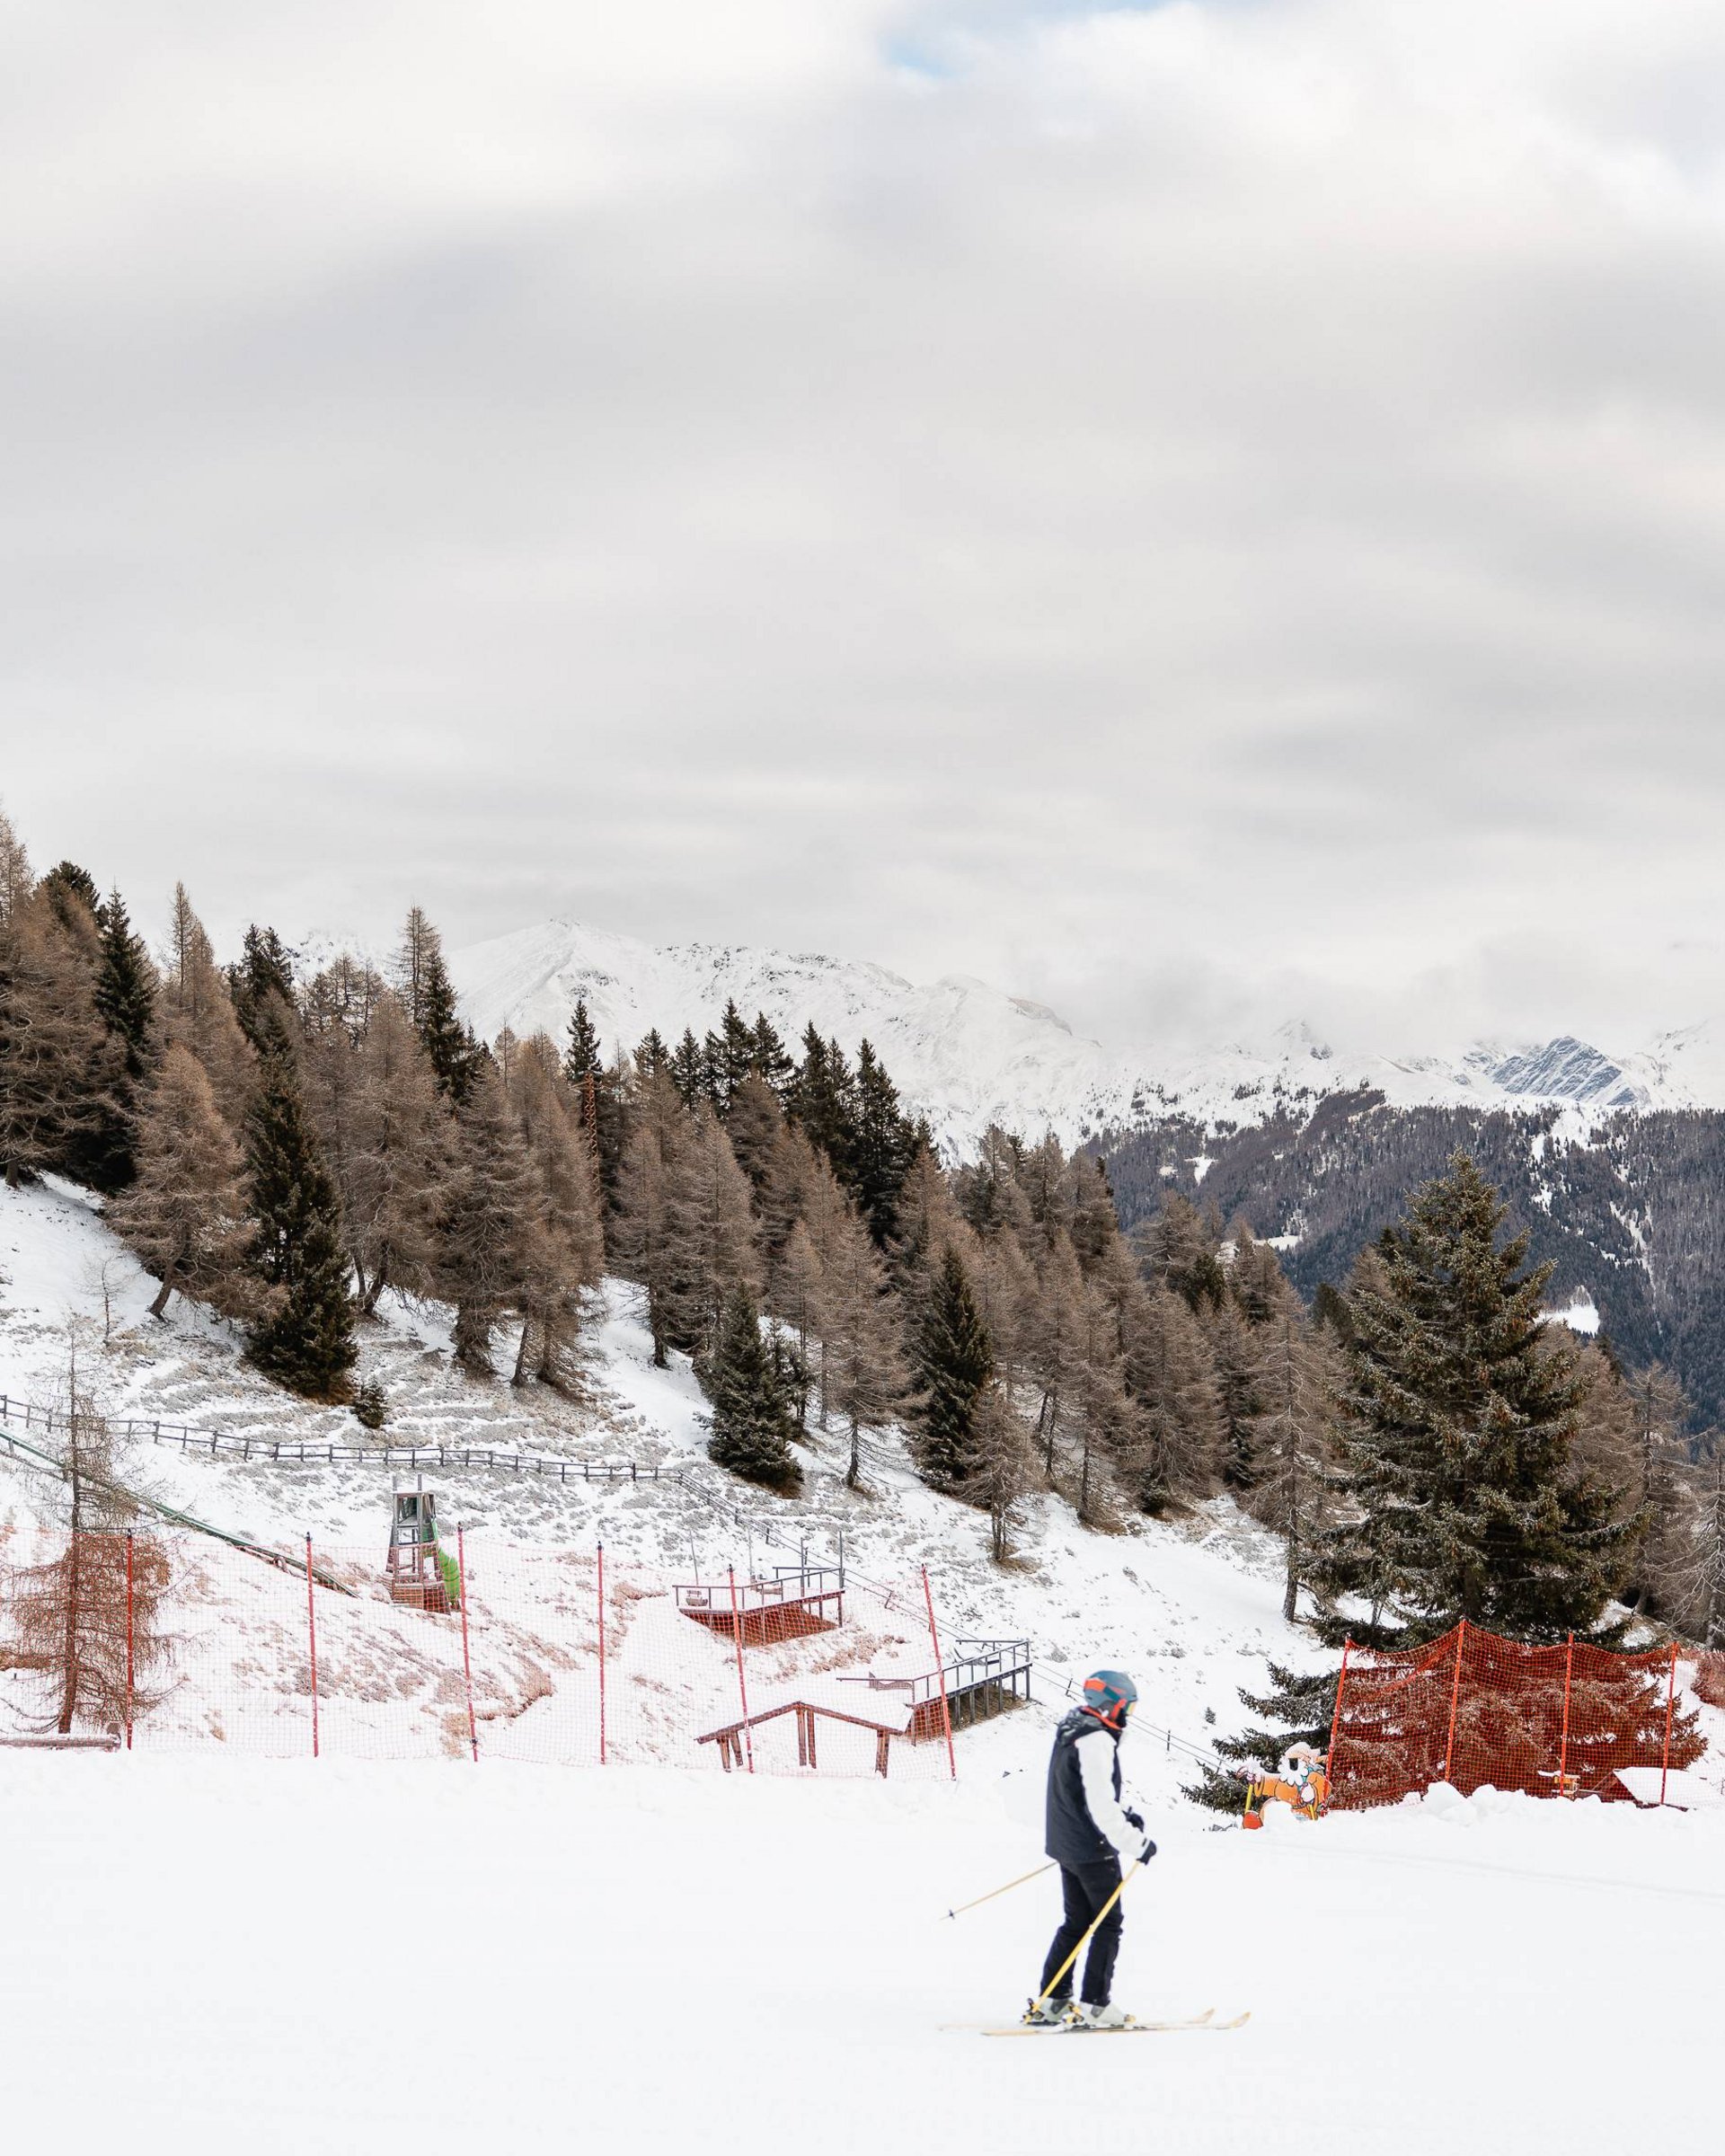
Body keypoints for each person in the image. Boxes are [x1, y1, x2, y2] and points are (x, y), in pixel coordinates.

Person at [1024, 1668, 1156, 2029]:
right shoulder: (1095, 1740)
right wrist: (1137, 1843)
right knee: (1108, 1924)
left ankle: (1053, 2000)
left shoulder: (1074, 1731)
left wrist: (1126, 1814)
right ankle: (1096, 2005)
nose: (1128, 1716)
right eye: (1127, 1708)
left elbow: (1082, 1793)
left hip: (1067, 1842)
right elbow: (1099, 1807)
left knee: (1077, 1922)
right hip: (1092, 1848)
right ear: (1111, 1706)